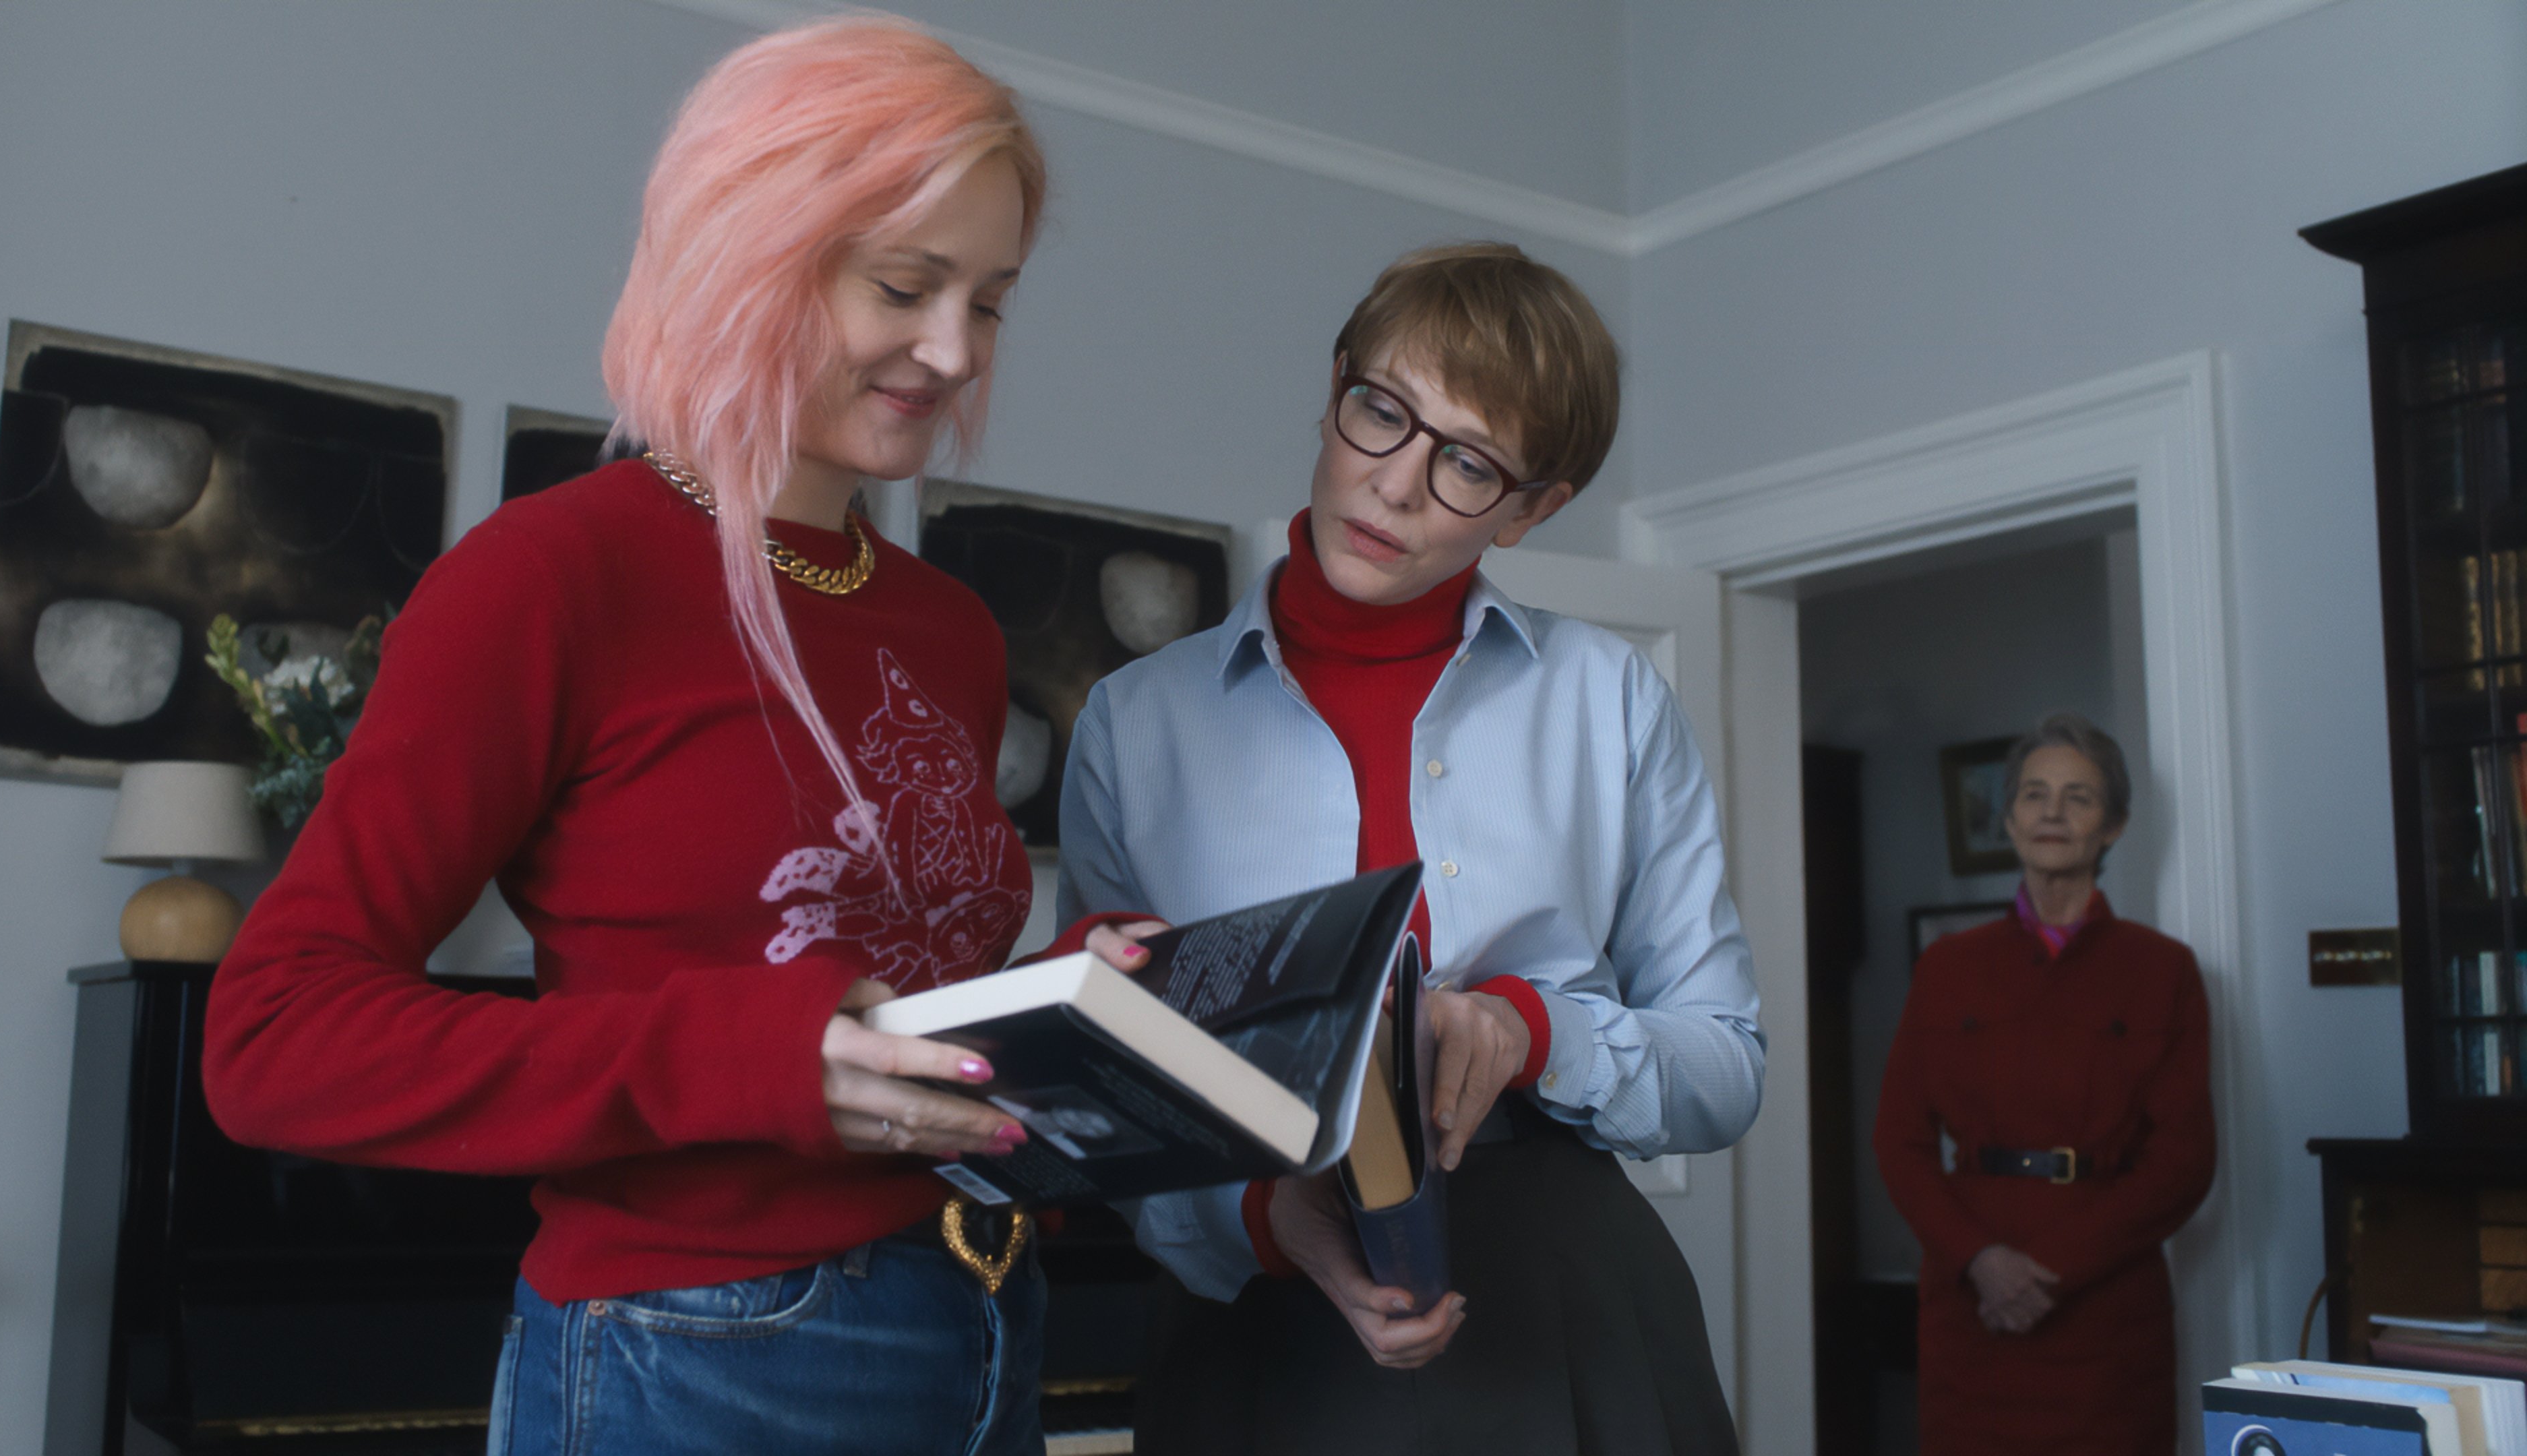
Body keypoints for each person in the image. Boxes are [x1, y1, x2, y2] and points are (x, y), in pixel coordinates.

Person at [201, 21, 1147, 1453]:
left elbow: (875, 1004)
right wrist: (749, 1062)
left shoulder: (949, 629)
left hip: (985, 1319)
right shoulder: (553, 577)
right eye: (905, 286)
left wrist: (1070, 1000)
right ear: (753, 250)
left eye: (993, 303)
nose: (955, 352)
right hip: (697, 1352)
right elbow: (274, 1038)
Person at [1058, 242, 1763, 1455]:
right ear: (1336, 382)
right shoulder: (1134, 722)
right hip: (1258, 1323)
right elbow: (1113, 1101)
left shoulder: (1610, 698)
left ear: (1534, 509)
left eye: (1470, 464)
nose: (1395, 486)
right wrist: (1264, 1221)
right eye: (1382, 412)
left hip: (1567, 1300)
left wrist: (1533, 1032)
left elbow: (1724, 1066)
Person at [1873, 712, 2215, 1456]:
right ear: (2009, 820)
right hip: (1971, 1306)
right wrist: (1981, 1261)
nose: (2052, 813)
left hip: (2106, 1314)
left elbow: (2183, 1163)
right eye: (2034, 794)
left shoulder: (2163, 971)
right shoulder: (1948, 968)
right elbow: (1899, 1142)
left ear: (2114, 826)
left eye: (2078, 797)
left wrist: (2053, 1271)